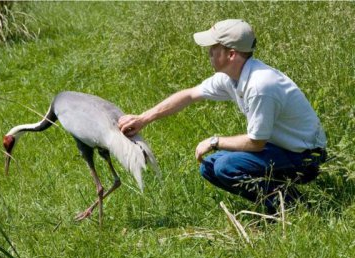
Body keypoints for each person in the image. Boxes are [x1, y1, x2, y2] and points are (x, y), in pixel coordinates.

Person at [118, 19, 327, 214]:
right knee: (209, 167)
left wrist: (215, 141)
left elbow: (256, 143)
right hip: (280, 148)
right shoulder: (230, 77)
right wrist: (143, 119)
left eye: (214, 48)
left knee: (226, 167)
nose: (209, 52)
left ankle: (295, 208)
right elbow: (189, 95)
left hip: (305, 156)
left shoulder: (260, 86)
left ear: (231, 54)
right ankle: (281, 199)